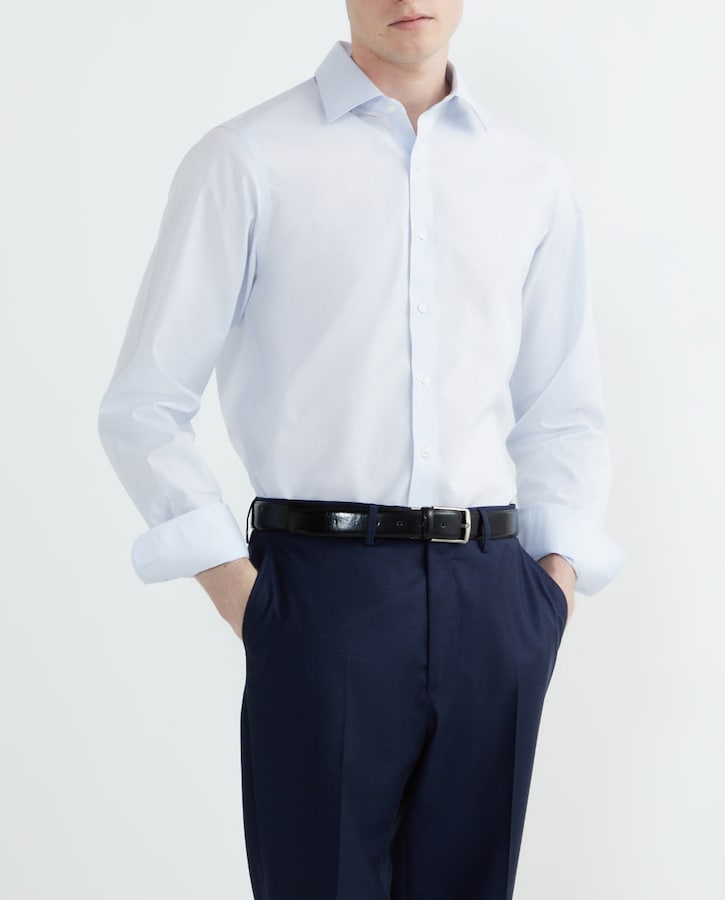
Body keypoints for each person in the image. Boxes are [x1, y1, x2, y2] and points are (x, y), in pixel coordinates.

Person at [98, 1, 625, 897]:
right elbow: (144, 403)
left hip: (495, 600)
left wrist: (551, 592)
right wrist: (245, 597)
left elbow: (563, 410)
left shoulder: (530, 176)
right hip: (322, 597)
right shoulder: (247, 158)